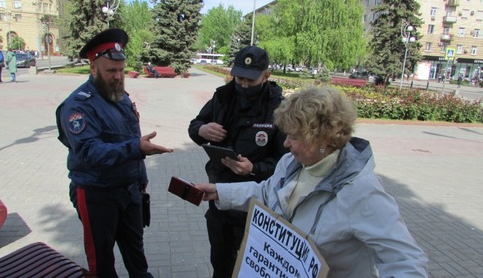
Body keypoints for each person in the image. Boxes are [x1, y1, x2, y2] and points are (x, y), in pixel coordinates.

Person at [195, 87, 429, 278]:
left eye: (294, 137)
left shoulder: (361, 191)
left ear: (323, 139)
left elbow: (406, 261)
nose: (285, 144)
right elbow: (268, 192)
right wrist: (219, 192)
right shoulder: (291, 163)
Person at [55, 28, 173, 278]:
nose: (118, 77)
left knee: (137, 259)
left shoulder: (120, 96)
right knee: (102, 263)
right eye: (111, 71)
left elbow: (129, 136)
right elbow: (89, 152)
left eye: (121, 71)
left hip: (129, 192)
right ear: (93, 68)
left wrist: (140, 181)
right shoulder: (78, 106)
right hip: (97, 194)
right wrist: (137, 148)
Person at [188, 45, 288, 278]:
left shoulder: (278, 108)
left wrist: (254, 169)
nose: (243, 85)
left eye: (250, 81)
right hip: (219, 197)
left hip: (256, 207)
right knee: (221, 266)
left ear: (266, 75)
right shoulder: (222, 97)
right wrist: (203, 129)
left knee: (250, 269)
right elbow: (194, 125)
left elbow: (286, 164)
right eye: (239, 78)